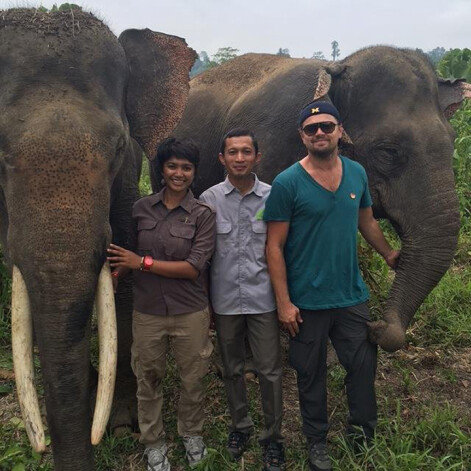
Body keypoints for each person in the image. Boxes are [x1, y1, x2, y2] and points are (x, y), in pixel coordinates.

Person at [263, 101, 400, 471]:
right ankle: (317, 442)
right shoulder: (287, 182)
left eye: (326, 126)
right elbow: (273, 246)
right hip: (305, 301)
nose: (320, 133)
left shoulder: (356, 173)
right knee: (310, 375)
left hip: (350, 296)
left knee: (361, 368)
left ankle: (362, 434)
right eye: (312, 129)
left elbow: (366, 221)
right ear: (302, 136)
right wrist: (283, 302)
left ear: (340, 130)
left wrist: (389, 254)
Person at [107, 137, 216, 471]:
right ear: (161, 169)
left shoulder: (203, 214)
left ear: (194, 173)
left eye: (186, 168)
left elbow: (193, 268)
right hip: (148, 312)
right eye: (172, 166)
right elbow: (122, 253)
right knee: (148, 379)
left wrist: (142, 263)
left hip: (190, 313)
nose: (178, 174)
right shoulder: (140, 209)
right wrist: (117, 270)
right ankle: (154, 443)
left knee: (192, 380)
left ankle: (191, 435)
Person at [200, 129, 285, 471]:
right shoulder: (209, 199)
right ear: (222, 158)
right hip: (224, 300)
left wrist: (284, 299)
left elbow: (282, 249)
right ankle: (240, 426)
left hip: (263, 298)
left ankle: (273, 438)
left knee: (270, 370)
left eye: (246, 152)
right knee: (232, 368)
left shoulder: (273, 196)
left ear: (257, 157)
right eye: (232, 152)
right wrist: (205, 302)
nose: (239, 158)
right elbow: (203, 255)